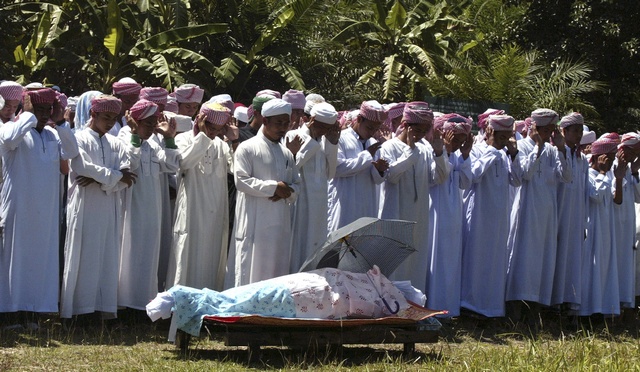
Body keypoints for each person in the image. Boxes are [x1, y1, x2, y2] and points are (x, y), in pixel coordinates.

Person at [0, 90, 79, 315]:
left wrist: (61, 120)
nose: (43, 115)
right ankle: (11, 311)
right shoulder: (10, 129)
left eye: (47, 110)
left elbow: (72, 151)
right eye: (39, 109)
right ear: (26, 108)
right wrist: (28, 113)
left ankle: (36, 308)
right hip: (19, 209)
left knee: (41, 259)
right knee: (16, 259)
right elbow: (8, 138)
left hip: (46, 211)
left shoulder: (53, 135)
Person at [60, 95, 137, 319]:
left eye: (114, 118)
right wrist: (113, 177)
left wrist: (99, 179)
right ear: (93, 114)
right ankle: (79, 311)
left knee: (106, 256)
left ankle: (101, 310)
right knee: (83, 255)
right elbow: (81, 166)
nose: (110, 122)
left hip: (108, 205)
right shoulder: (79, 138)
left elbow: (129, 175)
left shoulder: (115, 142)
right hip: (84, 205)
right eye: (106, 117)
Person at [505, 109, 571, 320]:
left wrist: (561, 148)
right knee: (523, 260)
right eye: (547, 130)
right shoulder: (522, 146)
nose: (550, 134)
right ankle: (515, 311)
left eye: (552, 130)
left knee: (543, 260)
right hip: (526, 212)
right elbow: (525, 173)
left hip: (546, 215)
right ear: (536, 128)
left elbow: (567, 176)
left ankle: (535, 312)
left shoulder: (553, 150)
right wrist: (537, 147)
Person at [378, 102, 450, 294]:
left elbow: (439, 178)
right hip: (395, 214)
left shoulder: (426, 148)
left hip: (419, 218)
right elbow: (391, 176)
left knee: (415, 263)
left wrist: (439, 153)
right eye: (417, 129)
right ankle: (391, 310)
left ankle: (414, 308)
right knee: (394, 262)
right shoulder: (389, 147)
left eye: (425, 130)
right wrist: (410, 152)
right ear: (405, 125)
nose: (420, 134)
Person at [117, 99, 180, 310]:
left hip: (152, 209)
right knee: (130, 254)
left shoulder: (153, 142)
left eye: (155, 123)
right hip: (132, 208)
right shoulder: (124, 137)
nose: (153, 127)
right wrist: (135, 135)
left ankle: (144, 304)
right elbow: (130, 163)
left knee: (149, 255)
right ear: (135, 121)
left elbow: (171, 165)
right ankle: (125, 305)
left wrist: (169, 138)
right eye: (148, 122)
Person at [230, 98, 301, 286]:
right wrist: (273, 188)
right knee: (251, 272)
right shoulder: (247, 148)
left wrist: (288, 191)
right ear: (265, 120)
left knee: (277, 272)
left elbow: (297, 183)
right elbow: (241, 181)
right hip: (256, 223)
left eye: (286, 123)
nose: (283, 128)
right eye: (279, 123)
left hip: (280, 224)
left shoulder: (286, 153)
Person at [460, 114, 523, 317]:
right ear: (489, 132)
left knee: (495, 261)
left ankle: (492, 308)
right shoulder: (478, 150)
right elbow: (472, 176)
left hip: (499, 217)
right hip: (479, 214)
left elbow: (517, 180)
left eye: (507, 137)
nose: (504, 142)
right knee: (477, 259)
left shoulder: (505, 155)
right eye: (501, 137)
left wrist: (513, 155)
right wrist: (491, 154)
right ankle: (471, 306)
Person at [167, 102, 234, 291]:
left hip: (215, 209)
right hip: (192, 207)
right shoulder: (185, 139)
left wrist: (234, 141)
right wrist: (203, 137)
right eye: (211, 128)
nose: (214, 133)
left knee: (211, 254)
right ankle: (180, 301)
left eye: (218, 129)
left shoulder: (221, 144)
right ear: (200, 121)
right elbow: (185, 163)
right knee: (187, 250)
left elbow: (236, 170)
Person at [426, 113, 473, 317]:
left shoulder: (457, 156)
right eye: (455, 139)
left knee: (451, 263)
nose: (457, 144)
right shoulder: (432, 153)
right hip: (436, 215)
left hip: (453, 217)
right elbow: (437, 178)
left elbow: (465, 182)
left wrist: (465, 155)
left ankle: (449, 310)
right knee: (435, 261)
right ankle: (433, 308)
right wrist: (442, 152)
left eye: (461, 140)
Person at [286, 102, 341, 273]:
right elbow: (292, 168)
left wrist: (332, 144)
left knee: (316, 245)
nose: (323, 131)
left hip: (319, 205)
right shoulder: (293, 135)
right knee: (297, 245)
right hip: (301, 201)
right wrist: (310, 141)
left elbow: (330, 174)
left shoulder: (325, 141)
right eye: (320, 126)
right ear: (311, 120)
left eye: (327, 128)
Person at [577, 133, 624, 317]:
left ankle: (602, 309)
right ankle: (587, 310)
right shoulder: (588, 175)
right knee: (591, 269)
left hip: (606, 231)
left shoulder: (608, 175)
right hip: (593, 229)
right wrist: (604, 173)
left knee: (604, 269)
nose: (611, 163)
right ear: (598, 157)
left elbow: (616, 200)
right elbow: (595, 195)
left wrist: (618, 178)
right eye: (609, 158)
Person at [327, 100, 389, 232]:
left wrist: (380, 170)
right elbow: (337, 169)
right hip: (345, 204)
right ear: (359, 119)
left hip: (367, 203)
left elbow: (378, 180)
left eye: (376, 129)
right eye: (370, 128)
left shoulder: (373, 143)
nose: (372, 132)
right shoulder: (341, 138)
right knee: (340, 244)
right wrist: (367, 156)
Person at [551, 112, 590, 310]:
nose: (579, 134)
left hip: (575, 216)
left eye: (581, 130)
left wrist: (583, 220)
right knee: (556, 256)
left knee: (572, 258)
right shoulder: (555, 152)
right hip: (559, 212)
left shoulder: (582, 159)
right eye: (575, 130)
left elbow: (583, 190)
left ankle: (568, 302)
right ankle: (553, 302)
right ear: (563, 131)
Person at [611, 133, 640, 313]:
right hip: (615, 226)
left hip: (627, 226)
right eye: (634, 151)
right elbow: (616, 198)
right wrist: (620, 176)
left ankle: (625, 307)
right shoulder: (614, 166)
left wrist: (635, 170)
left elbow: (638, 196)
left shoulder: (630, 169)